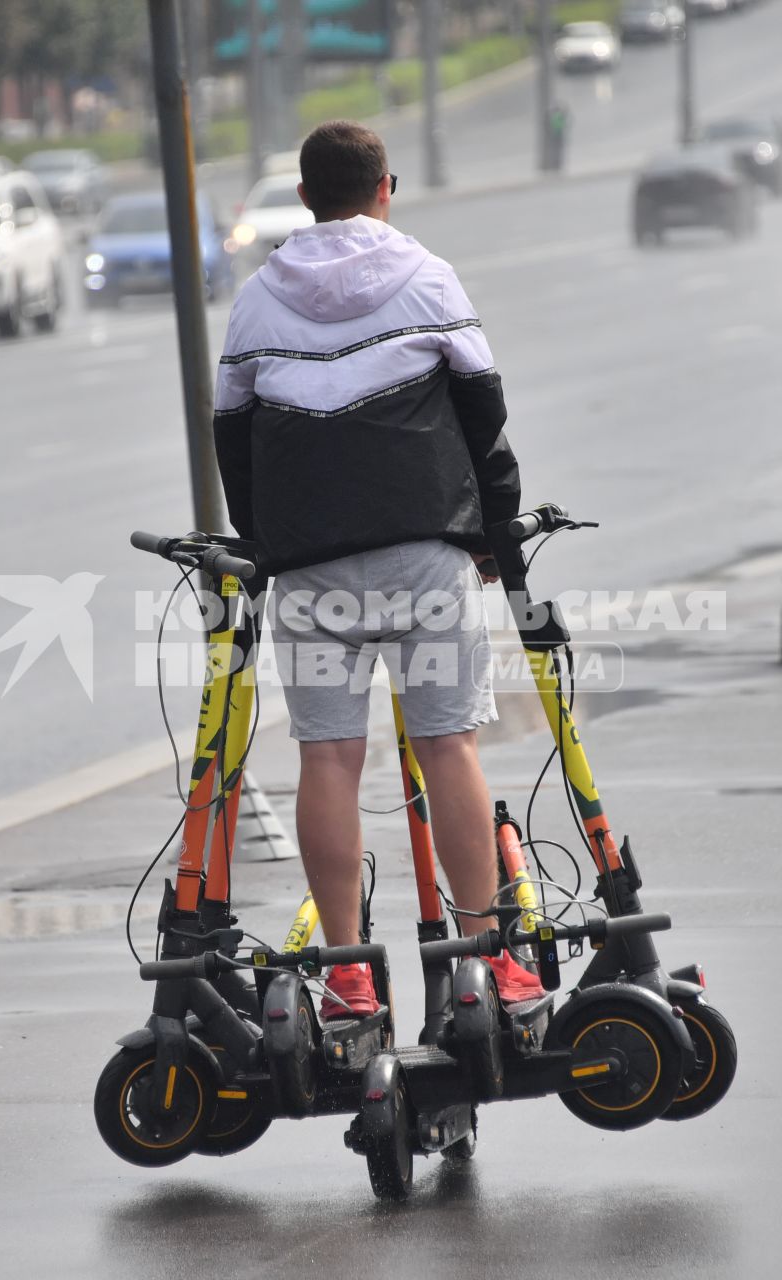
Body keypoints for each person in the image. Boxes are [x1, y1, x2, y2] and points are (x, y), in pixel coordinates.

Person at [212, 120, 544, 1019]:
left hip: (311, 572)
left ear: (304, 197)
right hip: (421, 555)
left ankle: (349, 970)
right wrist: (492, 537)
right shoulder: (427, 277)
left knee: (328, 757)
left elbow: (233, 442)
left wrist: (269, 541)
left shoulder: (257, 301)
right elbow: (484, 418)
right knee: (448, 746)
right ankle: (491, 959)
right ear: (385, 187)